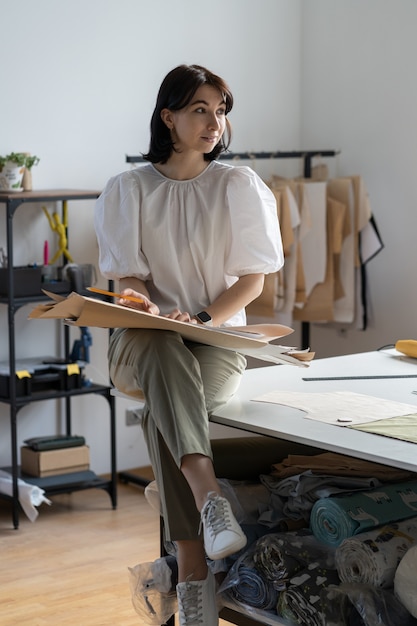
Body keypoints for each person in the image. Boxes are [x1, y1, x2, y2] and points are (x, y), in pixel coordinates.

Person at [94, 64, 284, 626]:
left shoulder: (238, 186)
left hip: (217, 340)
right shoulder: (128, 191)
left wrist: (198, 317)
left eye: (221, 111)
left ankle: (193, 572)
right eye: (200, 109)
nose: (214, 123)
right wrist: (146, 307)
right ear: (168, 116)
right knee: (159, 351)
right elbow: (126, 281)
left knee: (165, 405)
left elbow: (252, 280)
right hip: (144, 340)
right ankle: (209, 500)